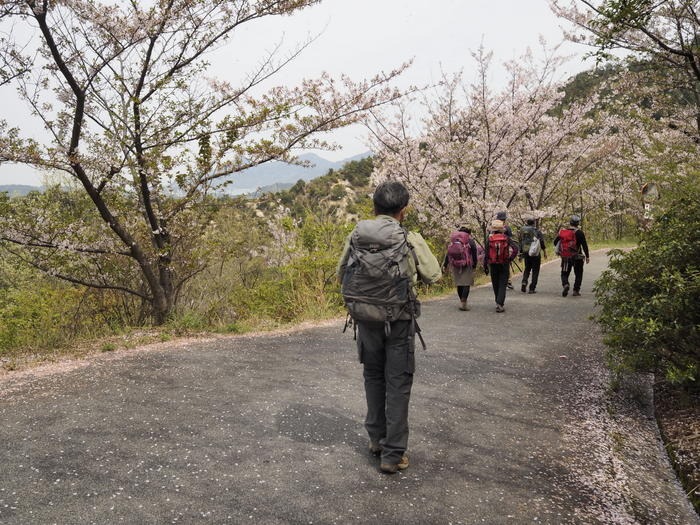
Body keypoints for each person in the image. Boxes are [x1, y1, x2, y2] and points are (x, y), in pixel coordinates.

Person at [337, 181, 441, 474]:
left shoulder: (356, 235)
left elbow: (340, 272)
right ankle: (393, 454)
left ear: (374, 207)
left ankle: (375, 440)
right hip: (399, 321)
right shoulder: (409, 238)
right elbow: (433, 274)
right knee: (398, 383)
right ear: (403, 210)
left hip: (365, 319)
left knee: (372, 376)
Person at [483, 219, 519, 312]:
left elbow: (486, 254)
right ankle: (500, 303)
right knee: (503, 283)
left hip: (493, 264)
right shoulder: (506, 238)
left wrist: (485, 265)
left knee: (495, 283)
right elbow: (515, 249)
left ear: (493, 229)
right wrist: (510, 259)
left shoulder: (490, 239)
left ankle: (497, 302)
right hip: (504, 263)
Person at [443, 227, 478, 311]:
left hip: (455, 265)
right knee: (466, 283)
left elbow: (448, 254)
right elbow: (474, 254)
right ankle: (463, 301)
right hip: (466, 264)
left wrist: (445, 264)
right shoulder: (470, 241)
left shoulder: (454, 242)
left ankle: (462, 301)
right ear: (468, 234)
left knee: (459, 283)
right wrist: (474, 265)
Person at [553, 215, 590, 297]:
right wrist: (587, 256)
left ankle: (566, 284)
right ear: (578, 223)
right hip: (577, 257)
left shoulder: (563, 232)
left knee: (564, 273)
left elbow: (555, 242)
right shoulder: (580, 232)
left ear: (570, 222)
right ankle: (576, 290)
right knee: (579, 273)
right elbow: (584, 245)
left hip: (566, 257)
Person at [518, 218, 546, 294]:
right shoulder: (537, 231)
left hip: (526, 252)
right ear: (534, 223)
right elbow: (542, 242)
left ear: (527, 223)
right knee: (535, 271)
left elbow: (520, 241)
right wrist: (544, 251)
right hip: (535, 253)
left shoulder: (522, 230)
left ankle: (524, 281)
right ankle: (532, 288)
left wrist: (520, 253)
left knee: (527, 268)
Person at [495, 211, 515, 290]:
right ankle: (508, 281)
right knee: (506, 264)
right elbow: (510, 237)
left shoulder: (493, 228)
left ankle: (498, 280)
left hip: (495, 249)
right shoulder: (507, 228)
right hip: (505, 249)